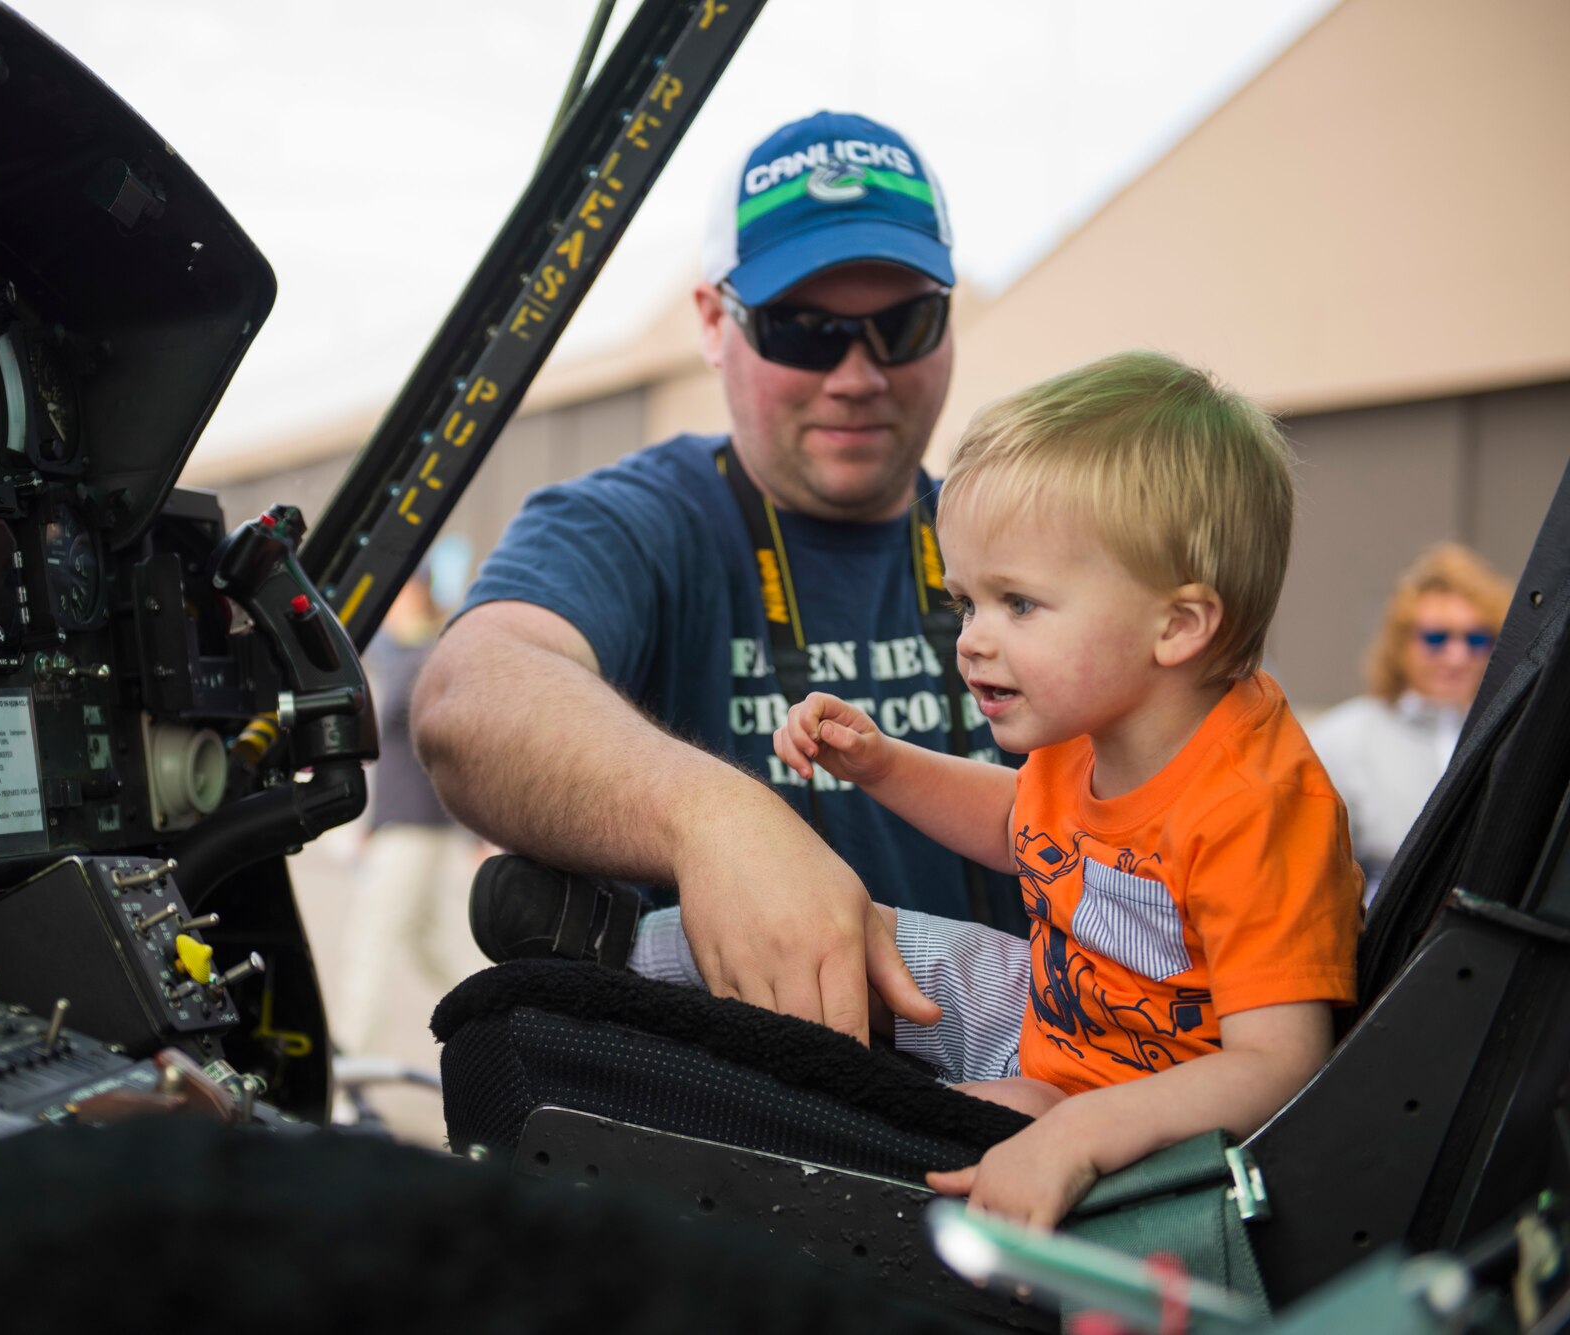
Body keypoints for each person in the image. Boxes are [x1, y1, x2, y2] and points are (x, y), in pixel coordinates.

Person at [631, 350, 1364, 1227]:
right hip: (1045, 1002)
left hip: (1142, 1102)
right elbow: (1023, 823)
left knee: (910, 1139)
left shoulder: (1258, 803)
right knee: (839, 928)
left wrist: (1083, 1130)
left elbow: (1279, 1066)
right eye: (965, 603)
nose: (972, 640)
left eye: (1017, 604)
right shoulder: (1091, 725)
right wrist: (881, 762)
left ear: (1177, 624)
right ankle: (610, 952)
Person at [413, 111, 1012, 1048]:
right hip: (745, 1135)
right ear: (711, 321)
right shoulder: (640, 521)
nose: (858, 374)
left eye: (902, 324)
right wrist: (712, 816)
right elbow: (468, 692)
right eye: (804, 331)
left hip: (1038, 1101)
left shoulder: (1027, 541)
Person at [332, 571, 485, 1057]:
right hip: (402, 823)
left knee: (369, 943)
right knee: (426, 943)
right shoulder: (393, 652)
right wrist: (374, 826)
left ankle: (349, 1068)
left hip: (419, 826)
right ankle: (496, 1013)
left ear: (416, 593)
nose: (390, 603)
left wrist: (475, 834)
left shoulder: (431, 655)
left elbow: (456, 747)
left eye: (397, 593)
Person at [1307, 542, 1511, 902]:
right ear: (1400, 644)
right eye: (1436, 637)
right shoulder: (1343, 738)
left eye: (1477, 639)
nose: (1457, 655)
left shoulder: (1514, 733)